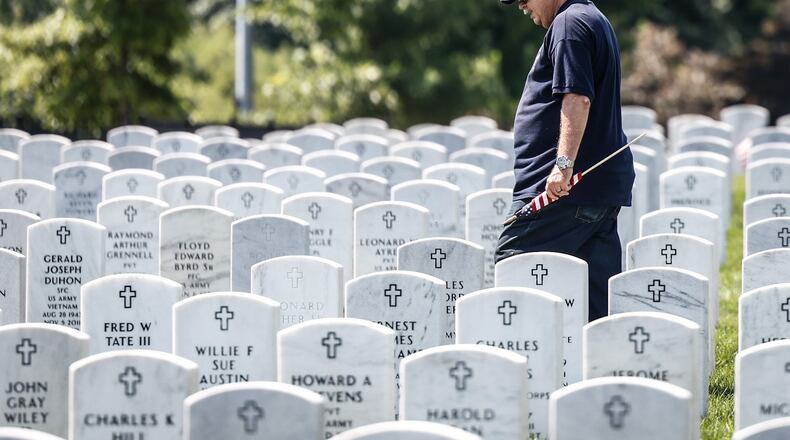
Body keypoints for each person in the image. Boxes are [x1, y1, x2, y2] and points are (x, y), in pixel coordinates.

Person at [495, 0, 634, 321]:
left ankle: (527, 362)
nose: (520, 5)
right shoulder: (589, 17)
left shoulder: (569, 25)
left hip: (566, 191)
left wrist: (562, 165)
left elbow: (577, 97)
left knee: (514, 261)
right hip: (594, 191)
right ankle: (598, 368)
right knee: (595, 303)